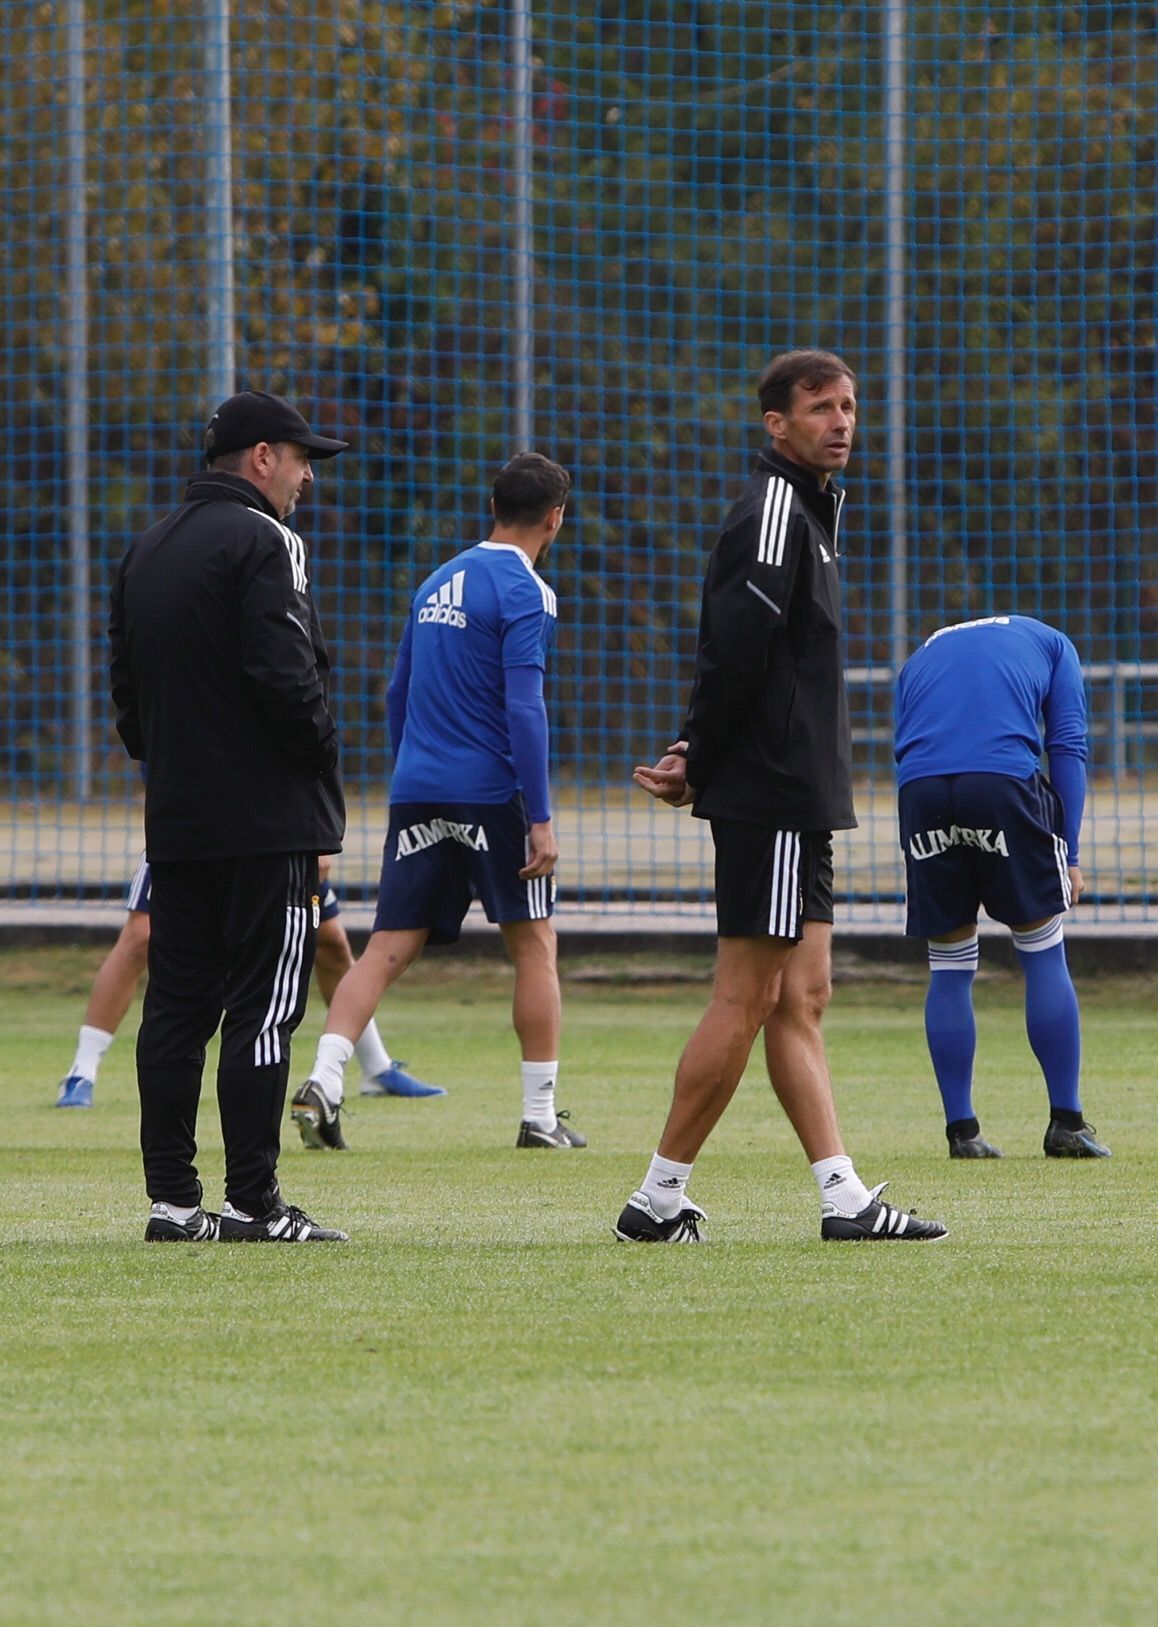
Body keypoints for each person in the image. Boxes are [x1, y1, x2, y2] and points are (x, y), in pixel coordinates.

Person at [617, 349, 947, 1243]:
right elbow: (736, 649)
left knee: (802, 997)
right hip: (770, 792)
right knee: (745, 997)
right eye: (820, 408)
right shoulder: (773, 510)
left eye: (848, 406)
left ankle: (843, 1198)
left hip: (798, 796)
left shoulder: (815, 510)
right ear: (776, 425)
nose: (841, 421)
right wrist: (701, 752)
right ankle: (656, 1199)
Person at [109, 389, 351, 1242]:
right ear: (260, 458)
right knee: (265, 1007)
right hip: (269, 825)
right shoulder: (267, 540)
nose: (307, 479)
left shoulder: (146, 548)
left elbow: (129, 709)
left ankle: (173, 1204)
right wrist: (322, 756)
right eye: (301, 459)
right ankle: (255, 1202)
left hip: (178, 823)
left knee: (174, 1011)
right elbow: (288, 679)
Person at [291, 452, 586, 1153]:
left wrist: (412, 771)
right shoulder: (528, 591)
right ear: (555, 517)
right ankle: (540, 1117)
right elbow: (525, 707)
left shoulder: (435, 582)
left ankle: (326, 1080)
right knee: (534, 943)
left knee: (387, 946)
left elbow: (397, 693)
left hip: (417, 789)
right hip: (491, 794)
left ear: (494, 503)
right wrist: (538, 816)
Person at [894, 614, 1109, 1159]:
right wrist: (1072, 852)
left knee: (948, 962)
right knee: (1040, 948)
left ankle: (962, 1133)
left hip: (920, 793)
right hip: (1002, 782)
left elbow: (910, 745)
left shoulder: (921, 652)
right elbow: (1067, 747)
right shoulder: (1056, 643)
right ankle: (1067, 1123)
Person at [54, 859, 446, 1111]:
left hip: (275, 826)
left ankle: (375, 1067)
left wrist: (322, 833)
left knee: (330, 941)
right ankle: (82, 1070)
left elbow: (314, 741)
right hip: (198, 824)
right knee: (142, 935)